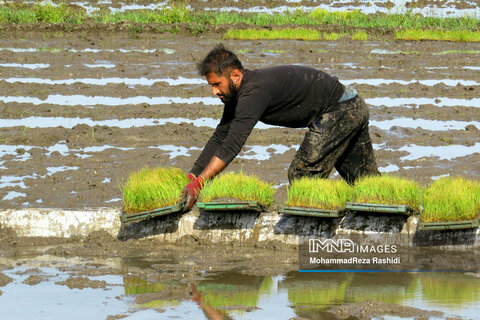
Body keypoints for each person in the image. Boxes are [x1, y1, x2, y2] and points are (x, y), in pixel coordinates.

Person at [182, 43, 379, 210]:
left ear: (235, 75)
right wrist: (193, 175)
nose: (214, 91)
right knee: (365, 181)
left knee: (302, 175)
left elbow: (233, 144)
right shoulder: (238, 95)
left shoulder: (252, 93)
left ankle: (312, 230)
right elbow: (220, 137)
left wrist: (201, 182)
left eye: (217, 84)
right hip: (352, 104)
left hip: (340, 110)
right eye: (211, 86)